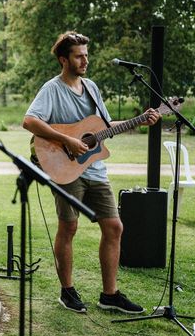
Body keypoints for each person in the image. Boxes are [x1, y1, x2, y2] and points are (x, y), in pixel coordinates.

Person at [22, 31, 160, 314]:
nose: (85, 60)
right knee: (69, 226)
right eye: (79, 55)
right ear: (64, 59)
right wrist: (67, 140)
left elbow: (104, 125)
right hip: (64, 167)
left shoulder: (92, 88)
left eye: (86, 55)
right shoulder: (52, 89)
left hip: (95, 169)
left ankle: (110, 295)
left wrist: (141, 120)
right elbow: (29, 121)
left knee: (114, 227)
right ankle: (67, 291)